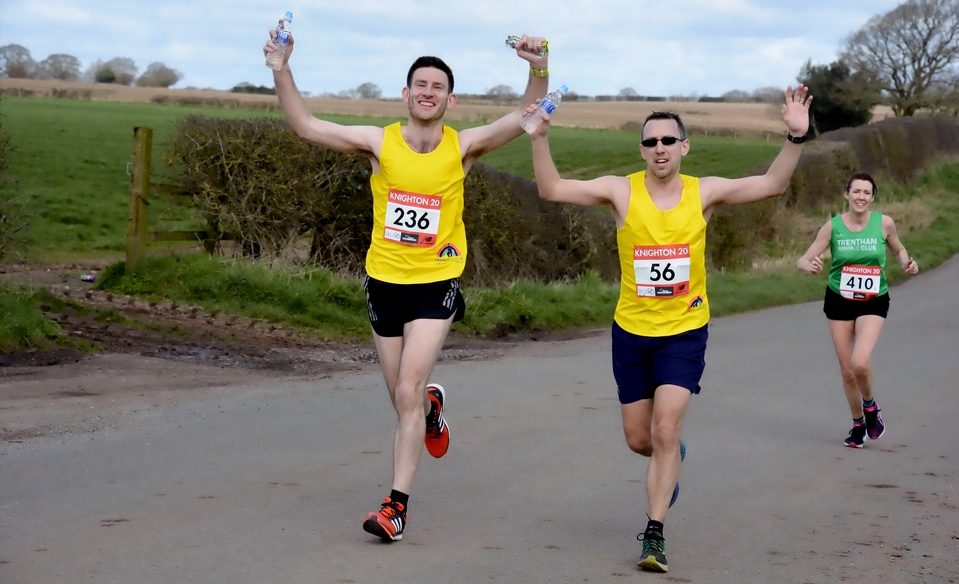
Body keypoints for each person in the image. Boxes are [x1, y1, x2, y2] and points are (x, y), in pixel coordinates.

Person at [263, 28, 549, 543]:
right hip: (383, 281)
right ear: (406, 93)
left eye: (438, 86)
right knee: (402, 398)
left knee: (408, 388)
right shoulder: (379, 142)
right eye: (420, 83)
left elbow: (526, 117)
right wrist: (281, 66)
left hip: (436, 279)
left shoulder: (463, 147)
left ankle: (395, 508)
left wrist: (538, 68)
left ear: (450, 99)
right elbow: (304, 126)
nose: (428, 91)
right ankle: (431, 410)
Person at [527, 86, 812, 572]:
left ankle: (654, 535)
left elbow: (771, 185)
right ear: (641, 150)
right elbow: (552, 189)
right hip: (632, 332)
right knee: (642, 440)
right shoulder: (621, 191)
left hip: (684, 331)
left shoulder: (704, 192)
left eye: (667, 140)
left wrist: (795, 136)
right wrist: (539, 137)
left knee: (663, 427)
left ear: (684, 147)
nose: (659, 148)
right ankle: (669, 455)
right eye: (650, 141)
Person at [796, 172, 919, 448]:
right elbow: (803, 259)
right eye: (856, 192)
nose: (861, 197)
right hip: (839, 298)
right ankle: (857, 424)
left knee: (860, 362)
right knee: (847, 371)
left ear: (872, 197)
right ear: (846, 195)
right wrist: (807, 265)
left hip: (874, 298)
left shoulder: (884, 223)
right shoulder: (833, 227)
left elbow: (899, 250)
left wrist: (906, 262)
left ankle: (871, 408)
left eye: (867, 192)